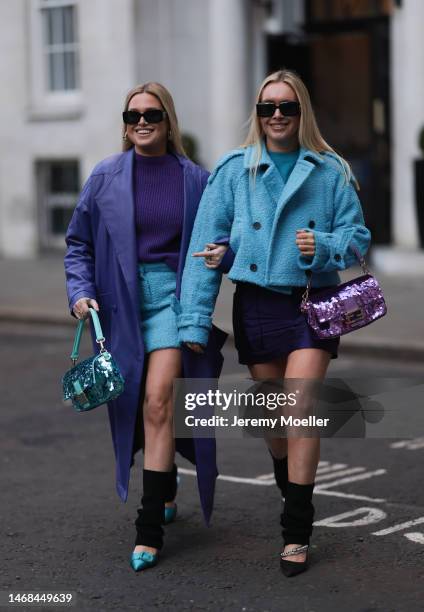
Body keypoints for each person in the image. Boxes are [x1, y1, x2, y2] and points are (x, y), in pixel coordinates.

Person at [176, 69, 371, 576]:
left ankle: (297, 528)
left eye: (287, 106)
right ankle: (290, 481)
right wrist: (196, 318)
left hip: (311, 302)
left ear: (301, 112)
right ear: (258, 115)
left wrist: (325, 245)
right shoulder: (234, 170)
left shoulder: (330, 171)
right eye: (268, 107)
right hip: (256, 306)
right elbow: (207, 246)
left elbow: (358, 238)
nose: (277, 115)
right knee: (273, 422)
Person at [64, 82, 229, 572]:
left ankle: (149, 528)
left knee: (159, 398)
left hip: (171, 304)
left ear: (167, 121)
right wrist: (79, 292)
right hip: (119, 304)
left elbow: (218, 241)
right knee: (136, 400)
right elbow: (78, 244)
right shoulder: (105, 176)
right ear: (124, 122)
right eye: (132, 114)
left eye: (151, 114)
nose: (141, 121)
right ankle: (166, 477)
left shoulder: (195, 180)